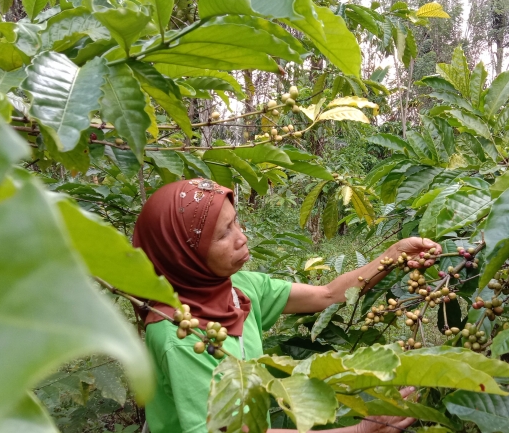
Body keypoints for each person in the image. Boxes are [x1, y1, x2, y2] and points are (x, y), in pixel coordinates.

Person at [133, 178, 441, 433]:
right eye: (223, 234)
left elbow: (327, 294)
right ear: (183, 256)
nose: (241, 237)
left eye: (235, 222)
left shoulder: (239, 288)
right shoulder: (181, 337)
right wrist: (361, 430)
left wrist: (393, 254)